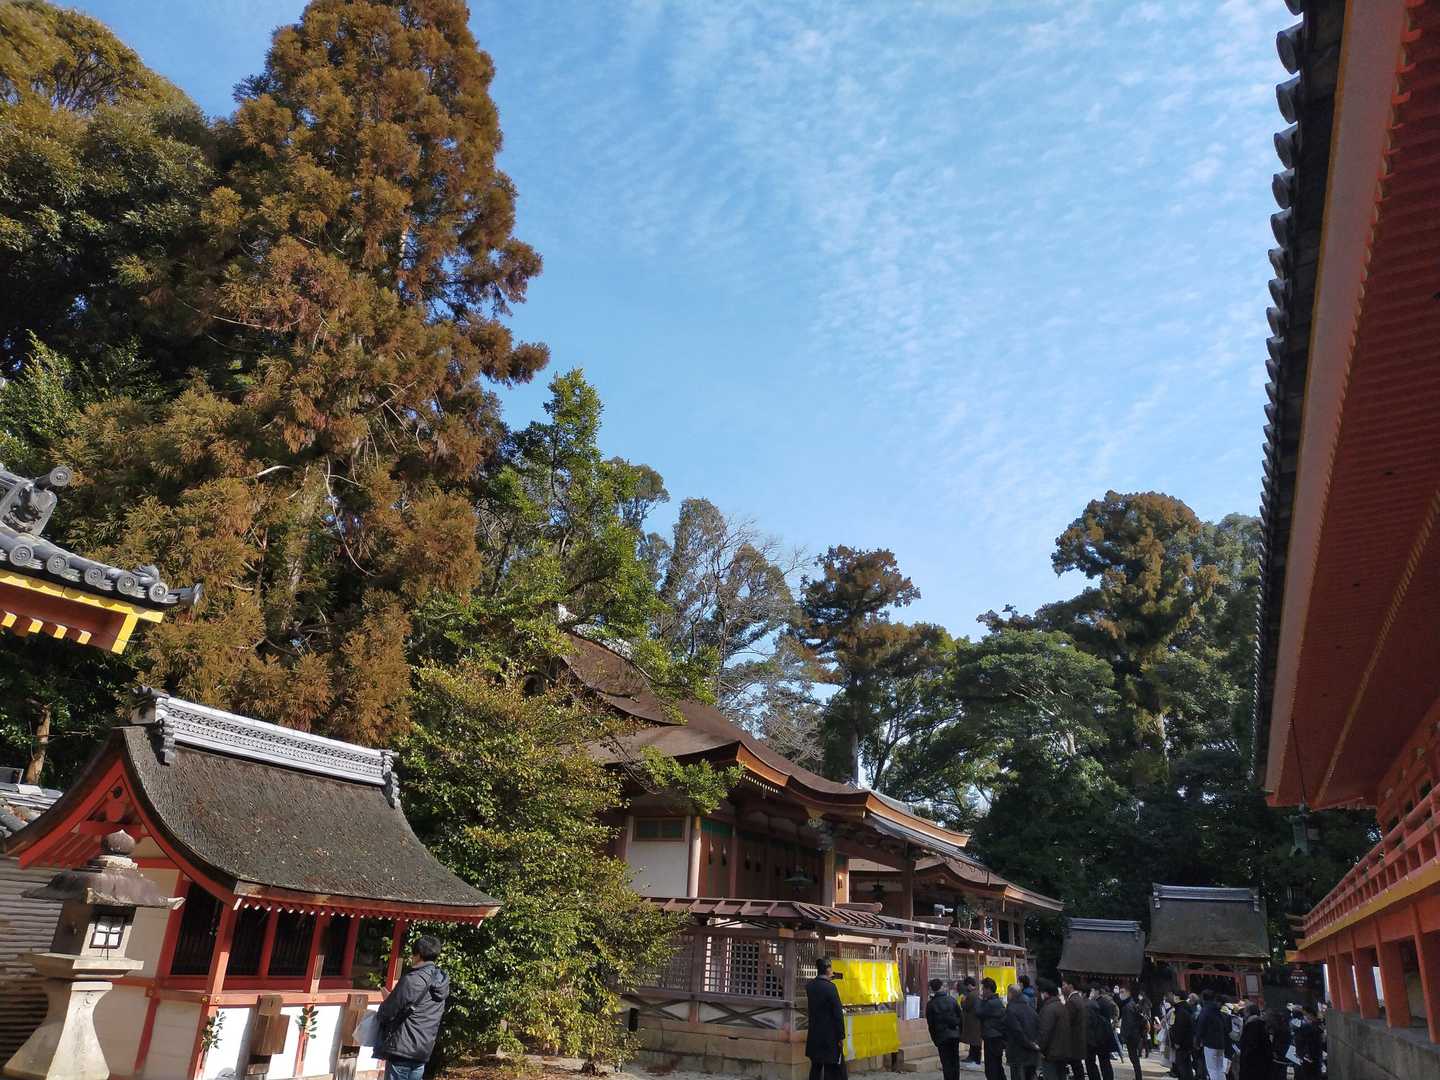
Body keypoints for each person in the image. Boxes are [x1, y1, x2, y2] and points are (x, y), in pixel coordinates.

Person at [376, 935, 450, 1080]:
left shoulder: (412, 980)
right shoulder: (441, 981)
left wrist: (387, 1000)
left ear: (418, 955)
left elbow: (387, 1013)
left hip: (402, 1048)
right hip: (423, 1050)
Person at [806, 957, 847, 1080]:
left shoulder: (810, 986)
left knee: (815, 1067)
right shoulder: (831, 988)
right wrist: (841, 1036)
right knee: (830, 1068)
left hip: (814, 1033)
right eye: (831, 968)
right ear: (828, 969)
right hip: (830, 1035)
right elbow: (837, 1014)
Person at [926, 978, 963, 1080]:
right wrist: (960, 1033)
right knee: (955, 1060)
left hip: (941, 1036)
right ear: (942, 987)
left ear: (932, 989)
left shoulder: (931, 1004)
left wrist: (934, 1039)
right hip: (954, 1035)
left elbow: (931, 1024)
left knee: (946, 1062)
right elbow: (961, 1017)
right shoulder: (952, 1000)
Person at [1005, 984, 1042, 1080]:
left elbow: (1017, 1032)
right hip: (1032, 1054)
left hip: (1018, 1053)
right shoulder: (1031, 1010)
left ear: (1010, 994)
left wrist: (1029, 1044)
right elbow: (1040, 1028)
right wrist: (1035, 1044)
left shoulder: (1011, 1010)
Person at [1038, 979, 1070, 1080]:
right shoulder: (1062, 1006)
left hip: (1050, 1054)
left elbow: (1044, 1032)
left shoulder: (1048, 1009)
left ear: (1046, 993)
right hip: (1063, 1051)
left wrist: (1040, 1049)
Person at [977, 976, 1008, 1080]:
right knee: (997, 1065)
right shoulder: (997, 1001)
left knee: (991, 1067)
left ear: (988, 989)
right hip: (996, 1037)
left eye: (983, 989)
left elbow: (978, 1012)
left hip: (992, 1038)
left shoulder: (990, 1003)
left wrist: (981, 1000)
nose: (982, 991)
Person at [1195, 990, 1229, 1080]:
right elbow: (1226, 1027)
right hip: (1221, 1043)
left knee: (1212, 1069)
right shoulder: (1218, 1010)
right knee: (1220, 1068)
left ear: (1203, 998)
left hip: (1209, 1044)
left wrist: (1197, 1042)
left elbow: (1200, 1027)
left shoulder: (1205, 1011)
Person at [1083, 986, 1115, 1080]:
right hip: (1104, 1036)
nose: (1091, 993)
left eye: (1092, 991)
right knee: (1105, 1062)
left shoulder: (1094, 1003)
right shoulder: (1106, 1002)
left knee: (1092, 1061)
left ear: (1097, 991)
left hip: (1097, 1036)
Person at [1235, 1004, 1270, 1080]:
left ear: (1249, 1012)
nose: (1243, 1014)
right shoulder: (1261, 1024)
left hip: (1252, 1063)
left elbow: (1251, 1045)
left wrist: (1245, 1056)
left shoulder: (1252, 1025)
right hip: (1260, 1063)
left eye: (1245, 1012)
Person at [1062, 979, 1088, 1080]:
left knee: (1076, 1066)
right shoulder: (1078, 999)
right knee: (1077, 1066)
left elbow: (1066, 1021)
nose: (1062, 987)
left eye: (1064, 985)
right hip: (1078, 1038)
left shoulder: (1072, 1001)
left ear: (1071, 986)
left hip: (1073, 1040)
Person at [1292, 1005, 1324, 1080]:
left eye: (1305, 1014)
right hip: (1308, 1056)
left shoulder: (1313, 1026)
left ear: (1310, 1014)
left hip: (1311, 1057)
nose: (1304, 1017)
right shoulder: (1310, 1026)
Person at [1118, 990, 1144, 1080]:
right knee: (1134, 1057)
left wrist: (1124, 1037)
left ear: (1128, 993)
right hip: (1135, 1034)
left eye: (1122, 992)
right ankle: (1138, 1077)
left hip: (1131, 1036)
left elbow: (1128, 1024)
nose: (1120, 994)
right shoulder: (1132, 1004)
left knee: (1133, 1057)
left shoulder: (1127, 1006)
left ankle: (1138, 1077)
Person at [1168, 993, 1195, 1080]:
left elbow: (1180, 1028)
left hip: (1182, 1044)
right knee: (1187, 1065)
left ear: (1177, 997)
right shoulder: (1186, 1008)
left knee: (1182, 1065)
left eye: (1174, 996)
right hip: (1188, 1042)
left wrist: (1177, 1042)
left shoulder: (1180, 1010)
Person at [962, 977, 984, 1064]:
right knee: (975, 1040)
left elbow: (966, 1006)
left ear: (969, 985)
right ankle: (974, 1057)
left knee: (974, 1041)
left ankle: (973, 1057)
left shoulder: (971, 995)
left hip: (973, 1021)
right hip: (977, 1021)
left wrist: (962, 1001)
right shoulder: (978, 993)